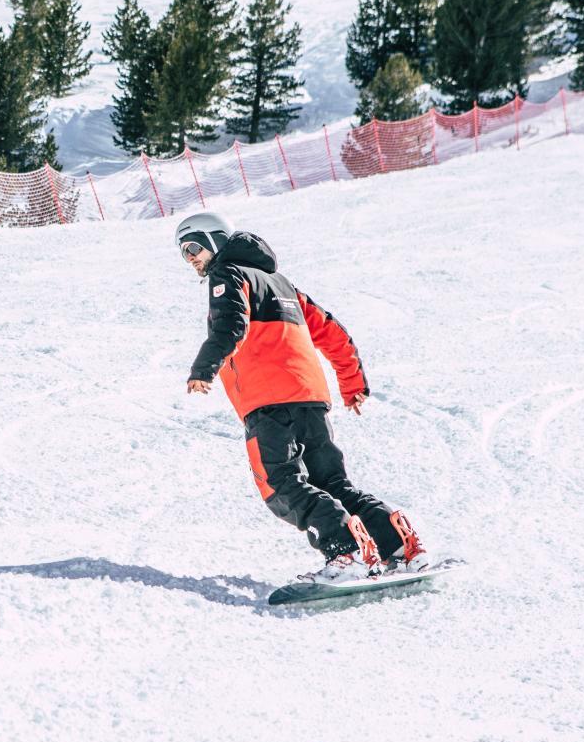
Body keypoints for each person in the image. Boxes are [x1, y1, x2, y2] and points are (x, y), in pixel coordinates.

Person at [175, 210, 426, 583]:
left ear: (215, 241)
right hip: (310, 399)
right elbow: (334, 334)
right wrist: (352, 384)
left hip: (268, 402)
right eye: (183, 252)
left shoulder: (226, 275)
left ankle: (347, 554)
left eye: (194, 246)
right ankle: (397, 545)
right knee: (331, 484)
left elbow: (231, 324)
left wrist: (204, 368)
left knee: (280, 484)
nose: (191, 257)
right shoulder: (283, 285)